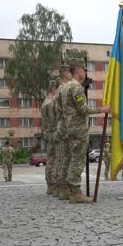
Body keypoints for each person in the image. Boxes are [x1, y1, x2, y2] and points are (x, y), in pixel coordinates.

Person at [62, 59, 110, 203]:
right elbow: (83, 109)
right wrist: (102, 109)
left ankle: (72, 192)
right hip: (78, 129)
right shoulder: (76, 87)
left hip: (71, 128)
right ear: (77, 70)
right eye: (84, 69)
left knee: (73, 160)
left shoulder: (66, 87)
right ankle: (76, 194)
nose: (86, 72)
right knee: (77, 161)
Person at [53, 63, 72, 199]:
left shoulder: (59, 90)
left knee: (61, 158)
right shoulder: (64, 89)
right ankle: (65, 188)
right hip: (65, 125)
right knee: (67, 158)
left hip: (60, 125)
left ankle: (60, 188)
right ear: (66, 74)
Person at [41, 80, 58, 195]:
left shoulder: (45, 103)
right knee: (54, 160)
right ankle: (53, 185)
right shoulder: (50, 104)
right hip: (53, 134)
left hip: (48, 133)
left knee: (51, 159)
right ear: (53, 89)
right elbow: (54, 120)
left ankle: (50, 185)